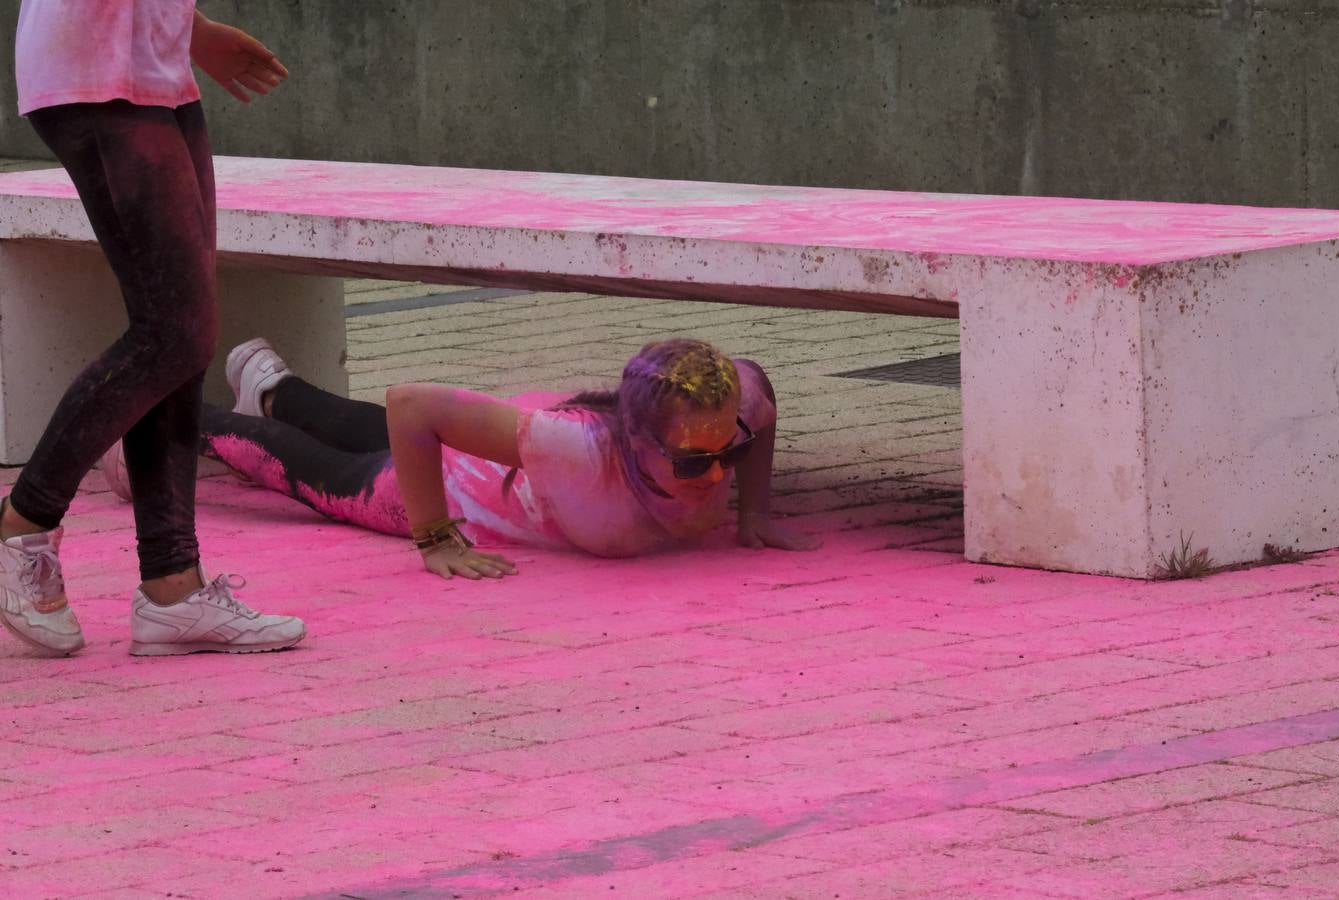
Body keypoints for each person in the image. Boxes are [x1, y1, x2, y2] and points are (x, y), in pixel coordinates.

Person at [0, 3, 306, 657]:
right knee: (174, 331)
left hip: (150, 64)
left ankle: (172, 586)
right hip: (92, 72)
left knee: (183, 335)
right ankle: (23, 521)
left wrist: (189, 30)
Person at [102, 336, 822, 579]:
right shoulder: (577, 449)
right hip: (447, 491)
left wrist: (753, 509)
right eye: (694, 463)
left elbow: (761, 390)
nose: (719, 471)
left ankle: (276, 384)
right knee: (308, 470)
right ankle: (158, 425)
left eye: (731, 447)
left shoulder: (734, 406)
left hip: (490, 460)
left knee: (361, 425)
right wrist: (435, 536)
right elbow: (412, 406)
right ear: (634, 440)